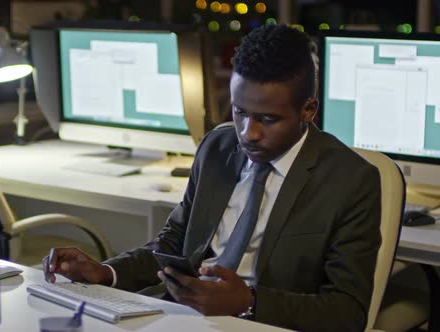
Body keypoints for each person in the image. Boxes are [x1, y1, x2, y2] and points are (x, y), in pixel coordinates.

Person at [44, 24, 381, 332]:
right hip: (180, 317)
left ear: (308, 110)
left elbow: (347, 311)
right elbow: (173, 245)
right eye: (240, 112)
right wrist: (107, 272)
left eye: (268, 119)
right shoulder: (217, 147)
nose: (249, 133)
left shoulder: (351, 180)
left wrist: (249, 302)